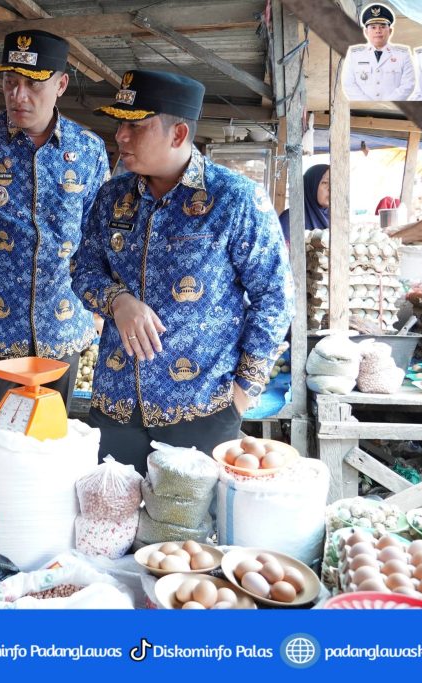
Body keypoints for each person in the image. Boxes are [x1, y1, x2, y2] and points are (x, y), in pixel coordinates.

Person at [73, 70, 294, 476]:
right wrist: (117, 301)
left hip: (202, 405)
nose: (120, 136)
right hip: (117, 401)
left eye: (136, 126)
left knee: (192, 516)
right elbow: (84, 269)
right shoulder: (112, 197)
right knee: (113, 510)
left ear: (178, 134)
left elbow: (276, 297)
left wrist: (244, 391)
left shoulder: (235, 199)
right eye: (120, 124)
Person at [0, 30, 110, 443]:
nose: (19, 95)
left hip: (60, 327)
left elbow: (96, 237)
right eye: (10, 82)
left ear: (61, 84)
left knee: (48, 444)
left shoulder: (88, 150)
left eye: (33, 84)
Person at [342, 3, 415, 101]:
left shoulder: (403, 54)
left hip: (393, 108)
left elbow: (408, 85)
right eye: (373, 27)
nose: (378, 31)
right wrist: (368, 105)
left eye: (382, 26)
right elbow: (348, 84)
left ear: (390, 31)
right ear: (366, 32)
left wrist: (388, 104)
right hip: (362, 107)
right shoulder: (354, 54)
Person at [277, 163, 330, 246]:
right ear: (311, 185)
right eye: (325, 182)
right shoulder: (290, 219)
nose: (331, 188)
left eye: (333, 183)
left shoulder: (337, 218)